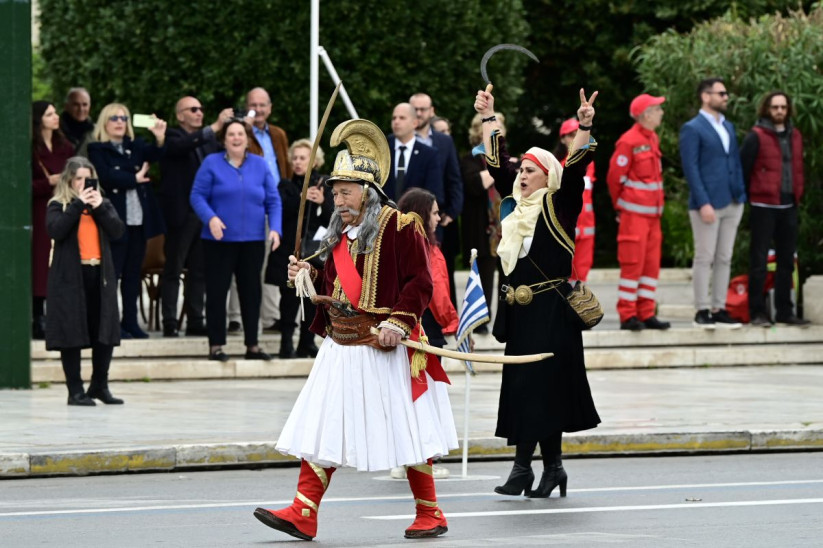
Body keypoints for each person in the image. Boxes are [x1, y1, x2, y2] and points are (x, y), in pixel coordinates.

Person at [254, 119, 457, 541]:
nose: (338, 199)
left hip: (383, 344)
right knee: (324, 423)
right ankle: (303, 511)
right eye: (335, 192)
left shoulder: (401, 226)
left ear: (367, 191)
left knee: (408, 428)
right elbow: (334, 286)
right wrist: (306, 272)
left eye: (345, 191)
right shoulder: (339, 234)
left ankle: (430, 512)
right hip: (342, 345)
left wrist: (398, 324)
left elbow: (420, 284)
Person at [474, 87, 601, 499]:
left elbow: (577, 164)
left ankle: (522, 470)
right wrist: (490, 117)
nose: (522, 176)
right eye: (521, 171)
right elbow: (496, 164)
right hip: (521, 313)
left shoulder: (561, 203)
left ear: (548, 175)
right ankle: (552, 469)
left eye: (530, 171)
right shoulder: (515, 208)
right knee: (530, 390)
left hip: (552, 312)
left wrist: (583, 125)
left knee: (541, 390)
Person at [190, 118, 282, 361]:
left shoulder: (261, 165)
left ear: (247, 139)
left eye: (240, 133)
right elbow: (197, 196)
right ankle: (216, 346)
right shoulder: (211, 163)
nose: (236, 138)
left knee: (252, 293)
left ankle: (252, 345)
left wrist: (275, 229)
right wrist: (210, 218)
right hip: (218, 240)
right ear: (224, 139)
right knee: (217, 293)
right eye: (231, 134)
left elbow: (273, 200)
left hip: (252, 240)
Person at [45, 156, 126, 405]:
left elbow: (118, 231)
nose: (83, 183)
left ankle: (99, 385)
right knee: (71, 332)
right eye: (78, 178)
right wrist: (78, 205)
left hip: (99, 274)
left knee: (104, 330)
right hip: (71, 277)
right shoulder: (59, 205)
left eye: (87, 179)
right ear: (69, 180)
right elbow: (56, 230)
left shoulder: (103, 204)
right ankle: (75, 390)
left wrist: (99, 207)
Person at [88, 103, 167, 339]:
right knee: (113, 275)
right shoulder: (97, 149)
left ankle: (130, 322)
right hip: (115, 222)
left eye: (124, 117)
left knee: (133, 275)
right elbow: (106, 176)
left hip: (139, 221)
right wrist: (133, 177)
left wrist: (160, 137)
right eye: (114, 118)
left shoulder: (136, 146)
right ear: (105, 122)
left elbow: (157, 154)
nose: (120, 122)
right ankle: (111, 324)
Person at [159, 96, 233, 337]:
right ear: (180, 115)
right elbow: (182, 147)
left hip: (205, 214)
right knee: (174, 268)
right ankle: (170, 321)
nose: (199, 113)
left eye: (201, 109)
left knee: (199, 270)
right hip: (181, 214)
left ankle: (195, 320)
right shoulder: (172, 136)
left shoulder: (209, 142)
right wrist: (215, 126)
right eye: (193, 109)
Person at [679, 78, 747, 329]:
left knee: (725, 257)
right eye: (722, 93)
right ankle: (702, 310)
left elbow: (734, 162)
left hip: (733, 200)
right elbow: (691, 168)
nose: (726, 97)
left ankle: (719, 307)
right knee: (704, 256)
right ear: (706, 96)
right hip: (707, 203)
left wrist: (741, 193)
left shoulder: (728, 126)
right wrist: (703, 202)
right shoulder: (692, 128)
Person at [740, 91, 809, 327]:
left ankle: (784, 311)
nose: (779, 111)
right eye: (774, 107)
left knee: (787, 261)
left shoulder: (796, 135)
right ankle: (757, 311)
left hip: (789, 204)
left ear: (788, 109)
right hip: (763, 205)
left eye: (783, 107)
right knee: (759, 261)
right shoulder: (756, 136)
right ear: (766, 109)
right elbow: (744, 168)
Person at [606, 95, 670, 330]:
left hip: (653, 217)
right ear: (646, 114)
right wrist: (620, 206)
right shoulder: (628, 141)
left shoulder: (652, 137)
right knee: (633, 265)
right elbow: (614, 178)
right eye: (658, 109)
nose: (661, 113)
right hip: (634, 217)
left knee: (650, 266)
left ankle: (646, 312)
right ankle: (628, 314)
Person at [265, 139, 333, 358]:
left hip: (313, 252)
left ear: (314, 161)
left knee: (311, 299)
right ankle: (286, 344)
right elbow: (281, 210)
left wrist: (323, 201)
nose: (297, 162)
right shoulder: (285, 185)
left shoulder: (325, 185)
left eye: (303, 158)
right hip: (289, 251)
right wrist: (301, 198)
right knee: (289, 298)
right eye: (295, 157)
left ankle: (307, 341)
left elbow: (335, 217)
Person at [242, 87, 292, 334]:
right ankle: (236, 317)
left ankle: (270, 317)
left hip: (276, 204)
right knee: (245, 262)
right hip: (248, 206)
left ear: (270, 108)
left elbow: (287, 167)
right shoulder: (240, 133)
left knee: (273, 261)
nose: (258, 110)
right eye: (254, 105)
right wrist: (246, 129)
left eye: (263, 105)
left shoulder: (278, 134)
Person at [410, 93, 464, 305]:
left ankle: (445, 321)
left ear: (432, 111)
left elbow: (454, 179)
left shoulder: (444, 142)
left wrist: (452, 212)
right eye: (416, 109)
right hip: (407, 216)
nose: (420, 113)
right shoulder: (398, 142)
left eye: (424, 109)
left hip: (438, 220)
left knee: (441, 272)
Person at [460, 112, 508, 330]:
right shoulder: (468, 159)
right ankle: (481, 321)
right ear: (479, 131)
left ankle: (505, 321)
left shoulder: (506, 158)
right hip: (482, 227)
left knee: (507, 277)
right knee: (484, 275)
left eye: (499, 126)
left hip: (505, 227)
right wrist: (498, 170)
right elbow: (474, 185)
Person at [32, 101, 74, 339]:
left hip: (62, 206)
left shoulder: (64, 145)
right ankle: (38, 317)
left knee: (61, 259)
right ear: (39, 120)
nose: (56, 117)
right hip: (38, 209)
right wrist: (45, 183)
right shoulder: (29, 148)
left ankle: (59, 317)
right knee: (40, 263)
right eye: (49, 114)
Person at [556, 118, 598, 284]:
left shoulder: (589, 163)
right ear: (562, 139)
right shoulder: (557, 166)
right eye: (570, 134)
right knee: (563, 273)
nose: (574, 137)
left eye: (577, 134)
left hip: (586, 227)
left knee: (581, 275)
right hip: (567, 226)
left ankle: (577, 307)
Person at [384, 103, 444, 205]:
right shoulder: (383, 150)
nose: (396, 122)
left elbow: (434, 193)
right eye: (394, 118)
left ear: (415, 123)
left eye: (402, 118)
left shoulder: (429, 154)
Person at [59, 87, 94, 156]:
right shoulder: (55, 130)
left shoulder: (97, 132)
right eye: (76, 105)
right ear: (66, 106)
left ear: (89, 107)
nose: (81, 109)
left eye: (85, 105)